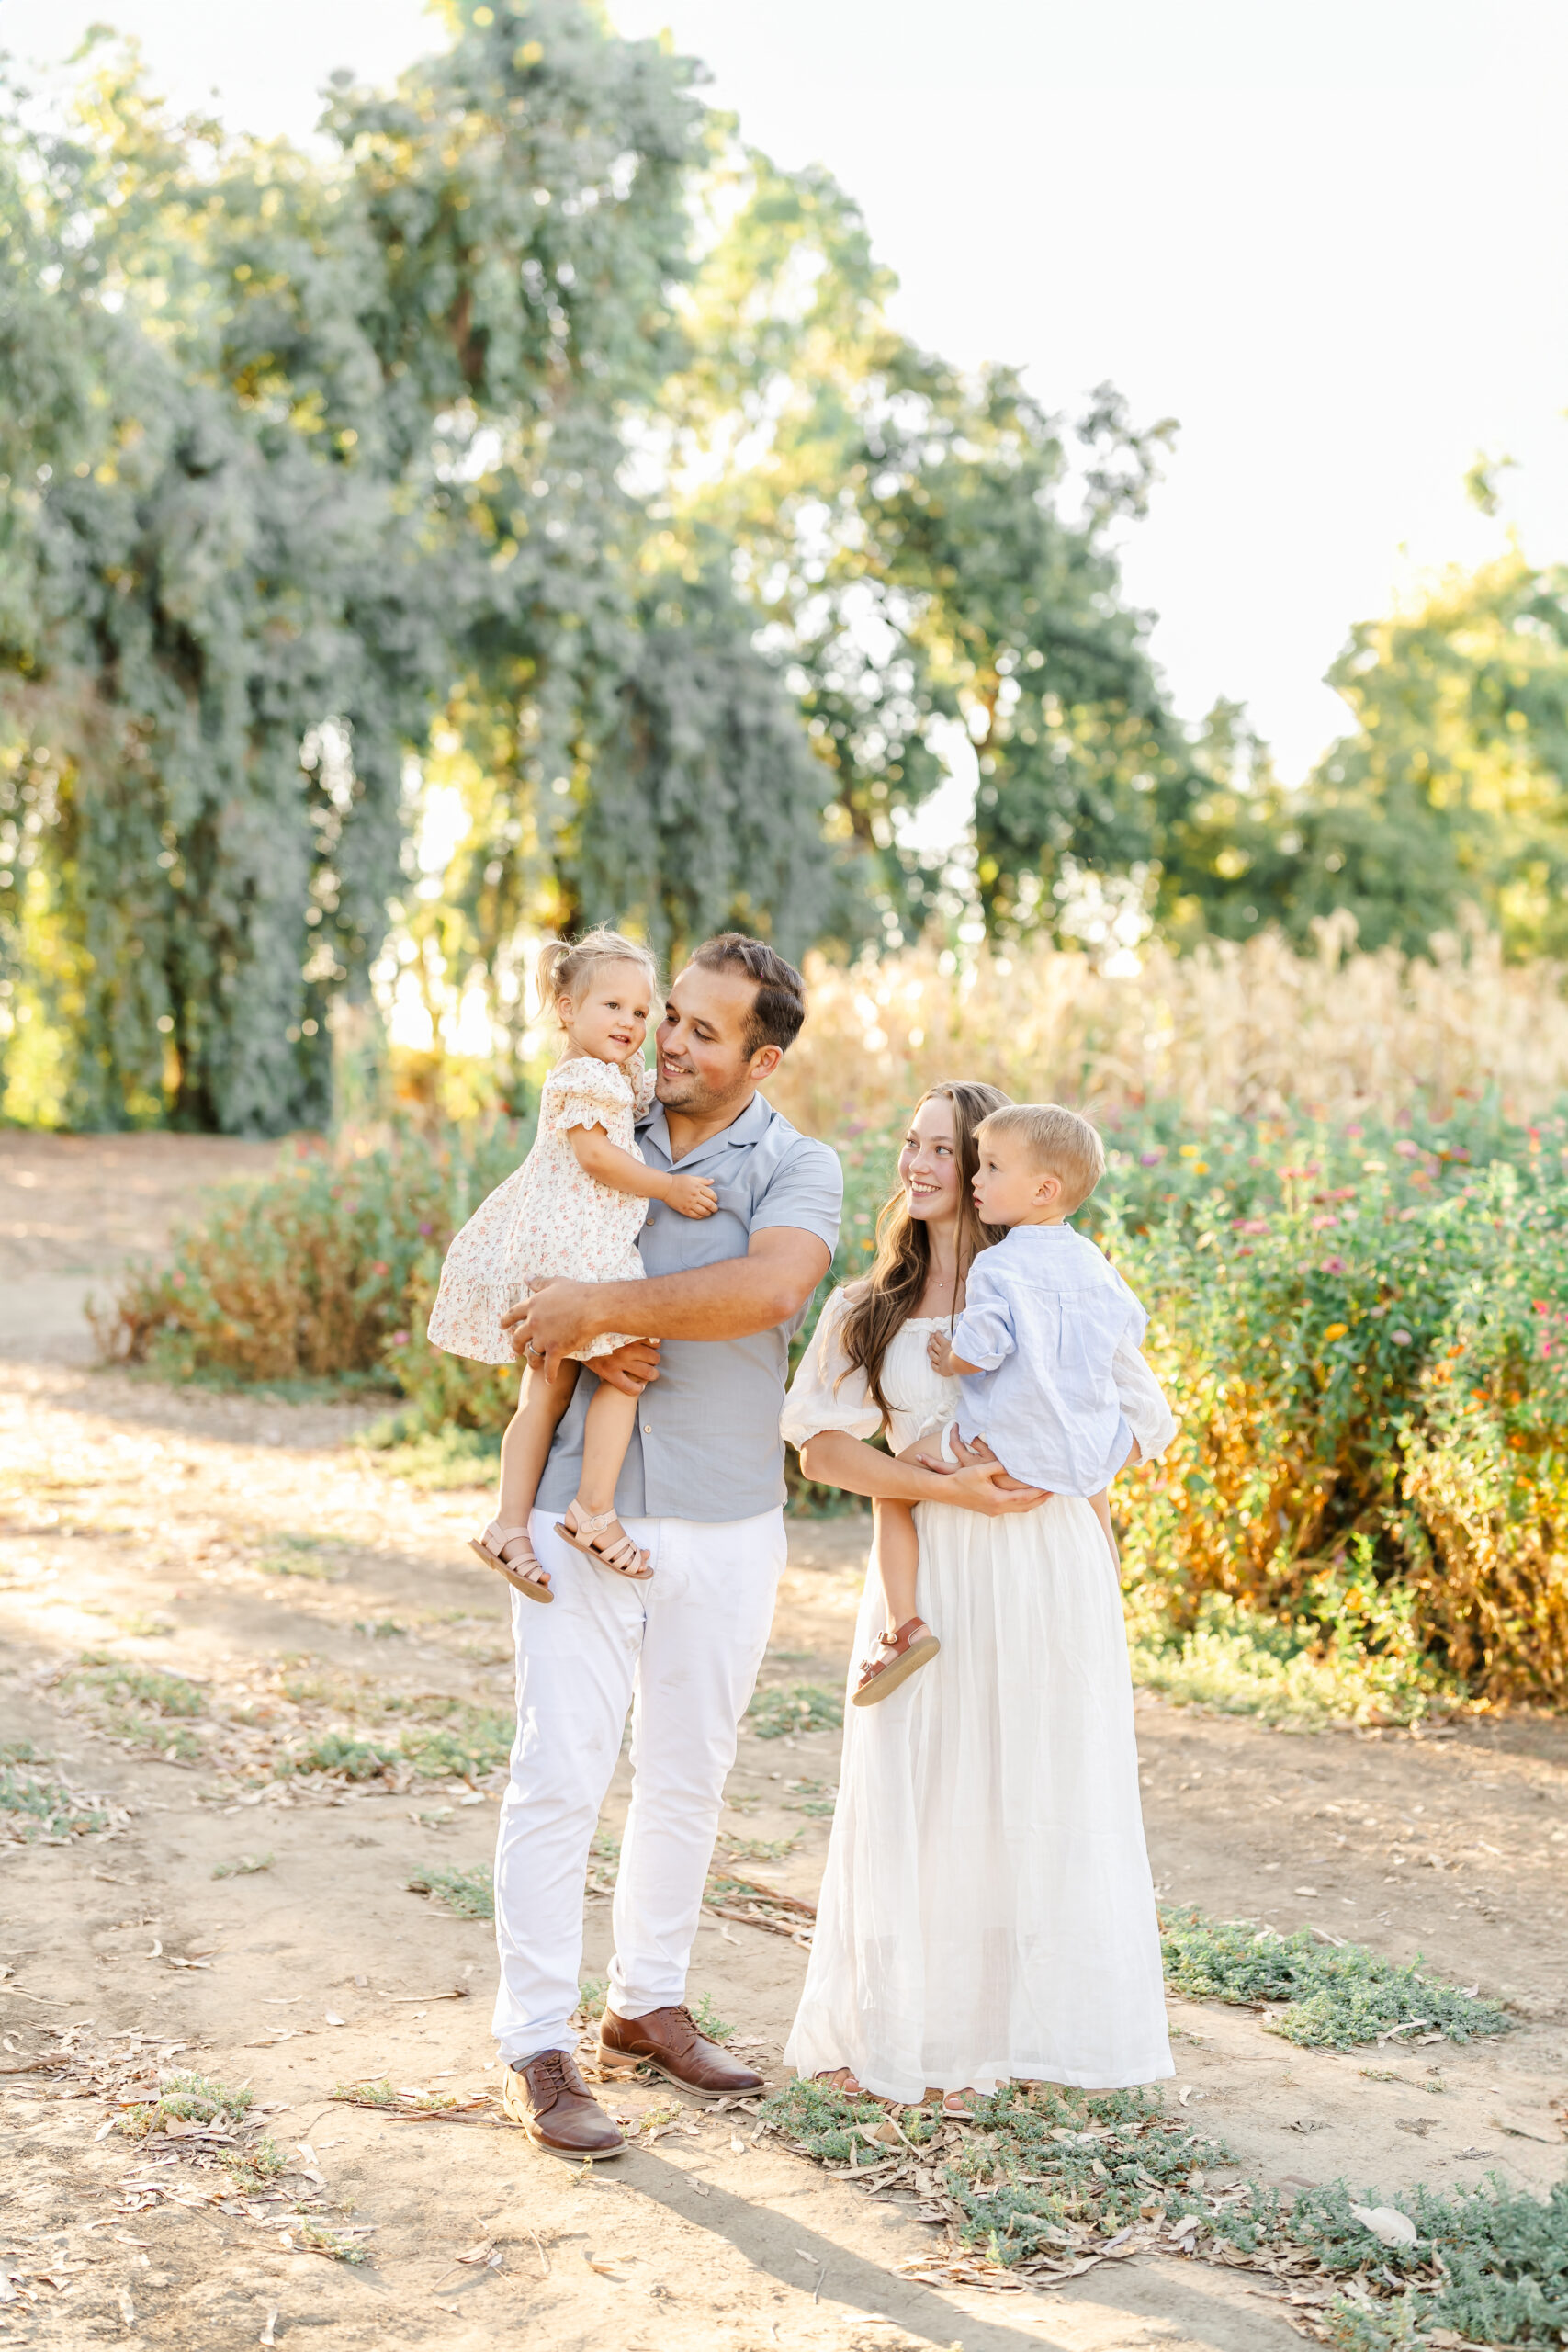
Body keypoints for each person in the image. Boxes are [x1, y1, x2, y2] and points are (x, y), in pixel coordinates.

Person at [486, 934, 874, 2162]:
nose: (669, 1041)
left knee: (687, 1772)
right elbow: (523, 1283)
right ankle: (537, 2042)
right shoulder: (594, 1116)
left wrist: (603, 1310)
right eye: (670, 1019)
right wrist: (568, 1322)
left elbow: (766, 1292)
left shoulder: (798, 1165)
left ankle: (644, 2002)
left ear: (761, 1057)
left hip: (724, 1517)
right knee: (559, 1772)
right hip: (572, 1505)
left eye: (703, 1032)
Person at [779, 1081, 1178, 2109]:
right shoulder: (866, 1309)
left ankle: (1022, 2040)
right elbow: (825, 1450)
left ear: (995, 1174)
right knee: (927, 1791)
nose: (916, 1163)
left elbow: (1148, 1415)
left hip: (1045, 1563)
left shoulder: (1057, 1288)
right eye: (908, 1142)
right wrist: (941, 1483)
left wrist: (1065, 1468)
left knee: (1035, 1791)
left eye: (943, 1149)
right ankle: (918, 2039)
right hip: (934, 1566)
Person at [425, 929, 718, 1597]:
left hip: (562, 1241)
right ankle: (592, 1509)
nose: (629, 1023)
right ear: (566, 1010)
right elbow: (595, 1157)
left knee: (547, 1391)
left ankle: (508, 1524)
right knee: (631, 1359)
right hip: (575, 1247)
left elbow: (649, 1103)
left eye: (641, 1013)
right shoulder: (584, 1077)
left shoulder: (609, 1076)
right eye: (611, 1007)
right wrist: (669, 1187)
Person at [856, 1100, 1146, 1705]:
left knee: (893, 1484)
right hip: (1065, 1449)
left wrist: (951, 1359)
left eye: (985, 1167)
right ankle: (1105, 1593)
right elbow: (1129, 1326)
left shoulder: (1000, 1263)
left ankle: (902, 1626)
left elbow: (986, 1344)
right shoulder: (1093, 1264)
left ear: (1042, 1189)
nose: (975, 1178)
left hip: (995, 1439)